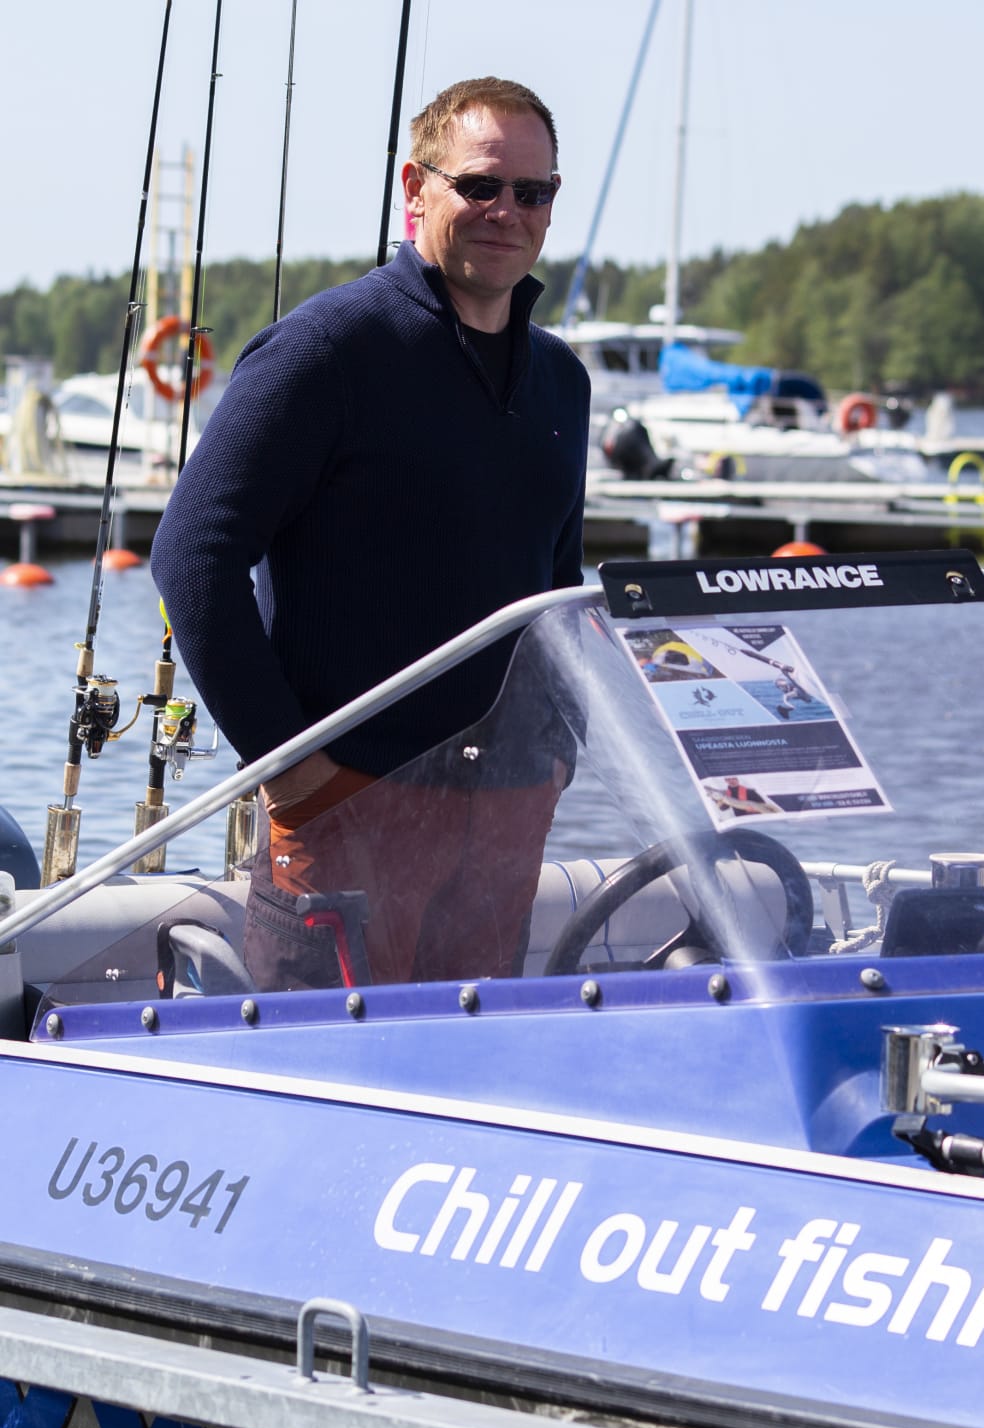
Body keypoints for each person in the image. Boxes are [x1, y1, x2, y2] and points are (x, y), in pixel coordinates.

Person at [151, 76, 590, 990]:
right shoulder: (326, 352)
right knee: (327, 1078)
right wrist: (295, 768)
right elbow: (193, 557)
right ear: (415, 188)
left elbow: (558, 579)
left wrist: (559, 746)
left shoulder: (561, 380)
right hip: (349, 803)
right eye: (479, 185)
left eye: (532, 192)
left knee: (477, 1076)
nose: (506, 210)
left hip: (507, 811)